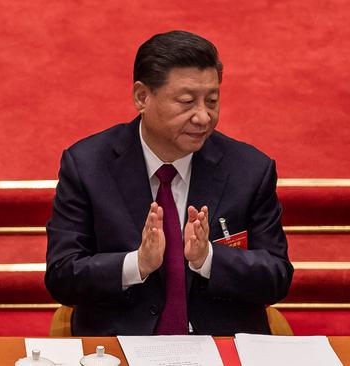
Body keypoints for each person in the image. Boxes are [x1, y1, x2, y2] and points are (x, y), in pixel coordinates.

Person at [45, 30, 293, 336]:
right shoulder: (87, 165)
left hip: (219, 342)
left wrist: (209, 259)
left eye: (212, 101)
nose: (203, 117)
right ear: (142, 97)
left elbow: (278, 277)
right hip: (121, 344)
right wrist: (137, 264)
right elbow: (62, 276)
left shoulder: (249, 170)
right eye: (187, 102)